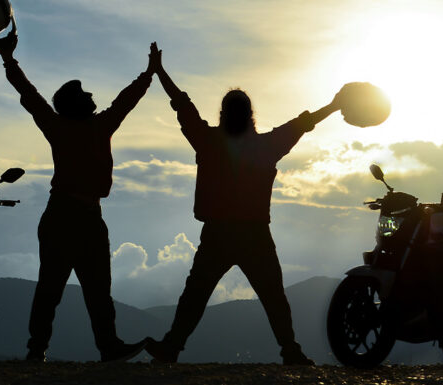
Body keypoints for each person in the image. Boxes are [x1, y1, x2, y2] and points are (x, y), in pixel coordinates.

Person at [144, 42, 345, 365]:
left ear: (222, 115)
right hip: (252, 235)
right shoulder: (266, 146)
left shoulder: (208, 141)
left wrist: (159, 71)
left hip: (219, 234)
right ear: (251, 116)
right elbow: (302, 124)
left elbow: (182, 104)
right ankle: (290, 350)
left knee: (196, 295)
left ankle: (172, 347)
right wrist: (334, 106)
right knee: (272, 297)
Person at [0, 23, 159, 362]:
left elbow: (30, 96)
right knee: (71, 289)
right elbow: (124, 100)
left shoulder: (65, 126)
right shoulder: (94, 126)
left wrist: (9, 60)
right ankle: (83, 348)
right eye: (85, 94)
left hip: (70, 215)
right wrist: (149, 73)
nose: (91, 95)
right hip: (74, 217)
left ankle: (56, 348)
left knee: (62, 289)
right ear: (77, 104)